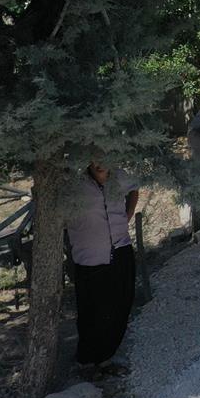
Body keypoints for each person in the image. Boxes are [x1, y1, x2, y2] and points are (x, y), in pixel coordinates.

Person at [63, 161, 138, 378]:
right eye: (94, 160)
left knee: (121, 304)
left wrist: (128, 213)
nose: (100, 164)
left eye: (105, 158)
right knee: (91, 312)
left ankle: (106, 358)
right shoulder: (75, 184)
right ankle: (86, 362)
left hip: (121, 249)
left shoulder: (119, 175)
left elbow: (134, 188)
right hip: (90, 257)